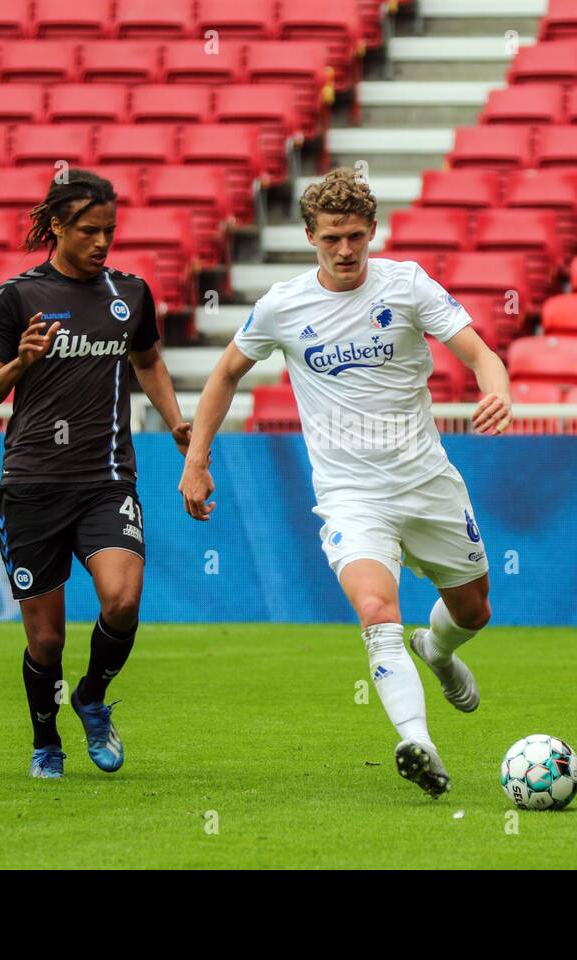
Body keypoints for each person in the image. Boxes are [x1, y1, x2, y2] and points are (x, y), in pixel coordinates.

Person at [179, 168, 513, 797]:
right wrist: (197, 459)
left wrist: (495, 389)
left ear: (372, 233)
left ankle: (437, 652)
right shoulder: (282, 306)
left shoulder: (407, 284)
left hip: (427, 483)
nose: (344, 249)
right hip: (351, 496)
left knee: (475, 610)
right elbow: (225, 374)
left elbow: (479, 352)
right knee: (374, 609)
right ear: (310, 236)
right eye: (331, 237)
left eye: (355, 236)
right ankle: (417, 742)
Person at [0, 170, 190, 778]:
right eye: (89, 231)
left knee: (122, 598)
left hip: (106, 478)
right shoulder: (16, 299)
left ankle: (92, 695)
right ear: (58, 228)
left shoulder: (131, 293)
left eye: (110, 231)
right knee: (46, 642)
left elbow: (149, 362)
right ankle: (47, 741)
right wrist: (22, 360)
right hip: (33, 483)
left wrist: (176, 424)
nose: (102, 242)